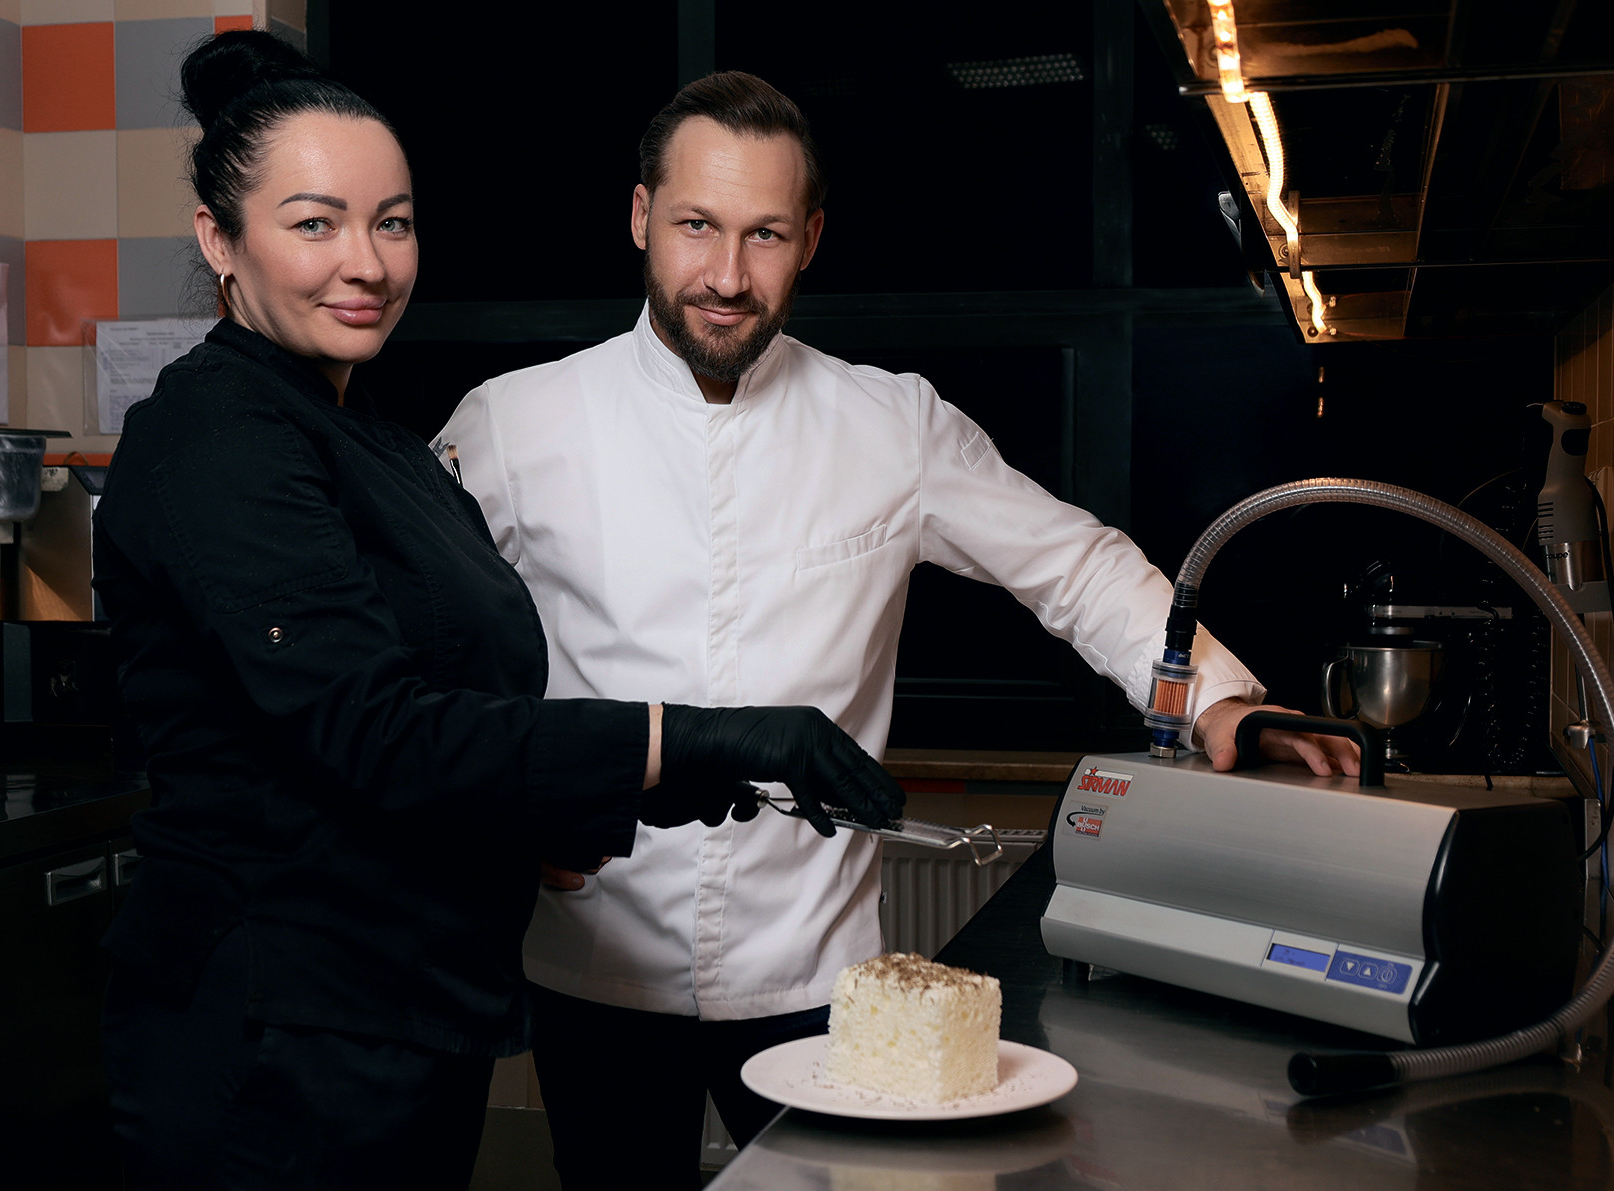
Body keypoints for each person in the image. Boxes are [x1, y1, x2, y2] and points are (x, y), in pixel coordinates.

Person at [438, 71, 1361, 1188]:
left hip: (814, 972)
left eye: (765, 234)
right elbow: (423, 667)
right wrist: (506, 813)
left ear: (812, 239)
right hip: (593, 959)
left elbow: (1072, 566)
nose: (726, 275)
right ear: (641, 216)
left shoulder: (893, 423)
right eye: (696, 226)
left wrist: (1212, 698)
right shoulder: (513, 423)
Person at [91, 39, 902, 1191]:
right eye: (315, 224)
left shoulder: (375, 443)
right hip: (275, 1035)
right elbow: (373, 728)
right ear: (220, 240)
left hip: (403, 1022)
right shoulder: (217, 438)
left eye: (394, 223)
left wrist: (600, 803)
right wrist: (695, 738)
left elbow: (451, 708)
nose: (366, 263)